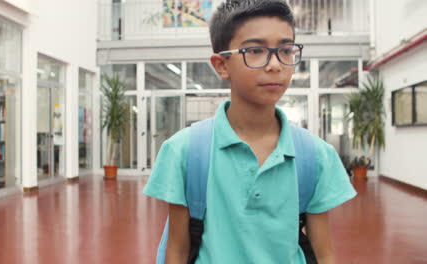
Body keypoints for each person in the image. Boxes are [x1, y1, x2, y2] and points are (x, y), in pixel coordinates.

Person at [143, 0, 357, 263]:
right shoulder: (185, 151)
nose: (276, 64)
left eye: (286, 50)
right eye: (255, 50)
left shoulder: (315, 156)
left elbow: (324, 253)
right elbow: (177, 248)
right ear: (221, 65)